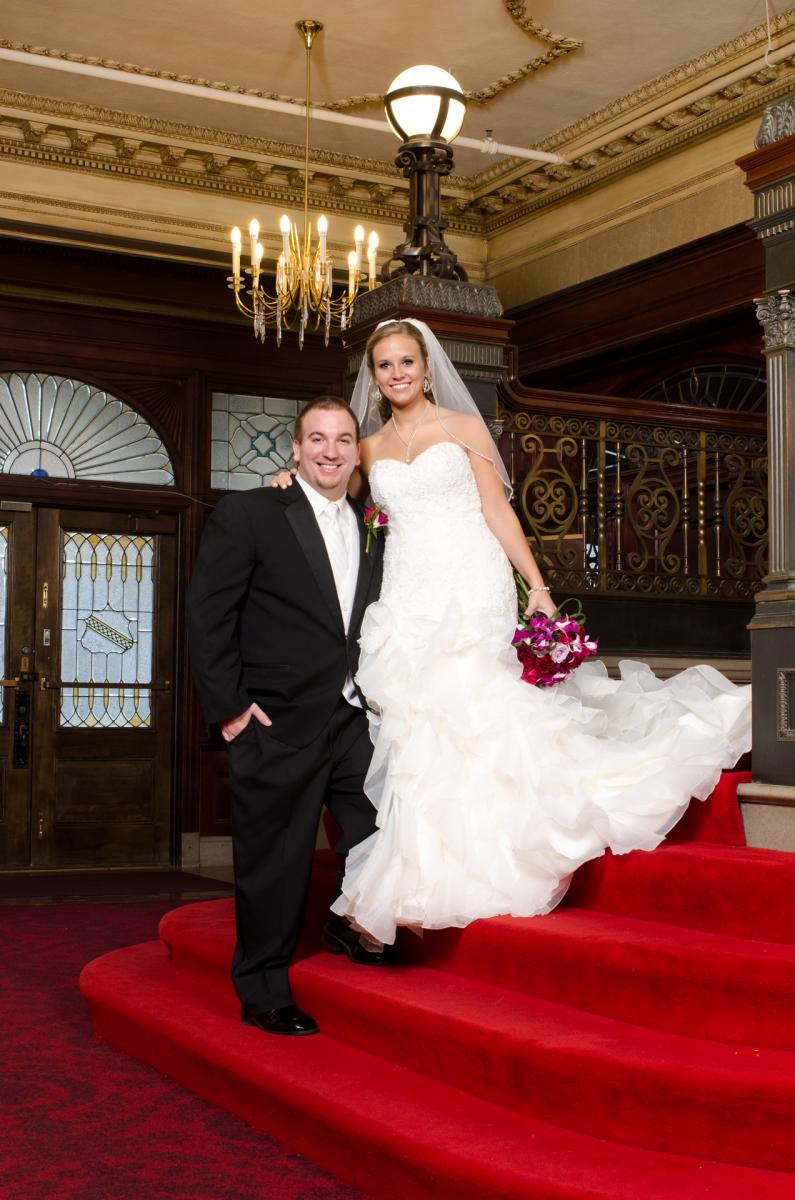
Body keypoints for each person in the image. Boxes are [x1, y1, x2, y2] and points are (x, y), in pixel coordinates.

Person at [272, 321, 752, 949]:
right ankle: (423, 878)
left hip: (472, 583)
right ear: (374, 375)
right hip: (409, 597)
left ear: (425, 365)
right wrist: (293, 479)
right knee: (419, 734)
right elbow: (332, 492)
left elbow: (498, 511)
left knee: (478, 710)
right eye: (384, 365)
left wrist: (539, 588)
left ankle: (477, 862)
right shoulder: (366, 446)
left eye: (406, 362)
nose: (397, 374)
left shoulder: (463, 427)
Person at [187, 396, 390, 1038]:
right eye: (317, 439)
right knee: (275, 862)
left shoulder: (374, 522)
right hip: (272, 720)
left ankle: (346, 921)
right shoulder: (250, 512)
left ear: (357, 451)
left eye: (343, 439)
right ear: (296, 449)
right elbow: (208, 614)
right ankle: (264, 989)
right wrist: (230, 710)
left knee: (384, 829)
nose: (330, 451)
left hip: (353, 716)